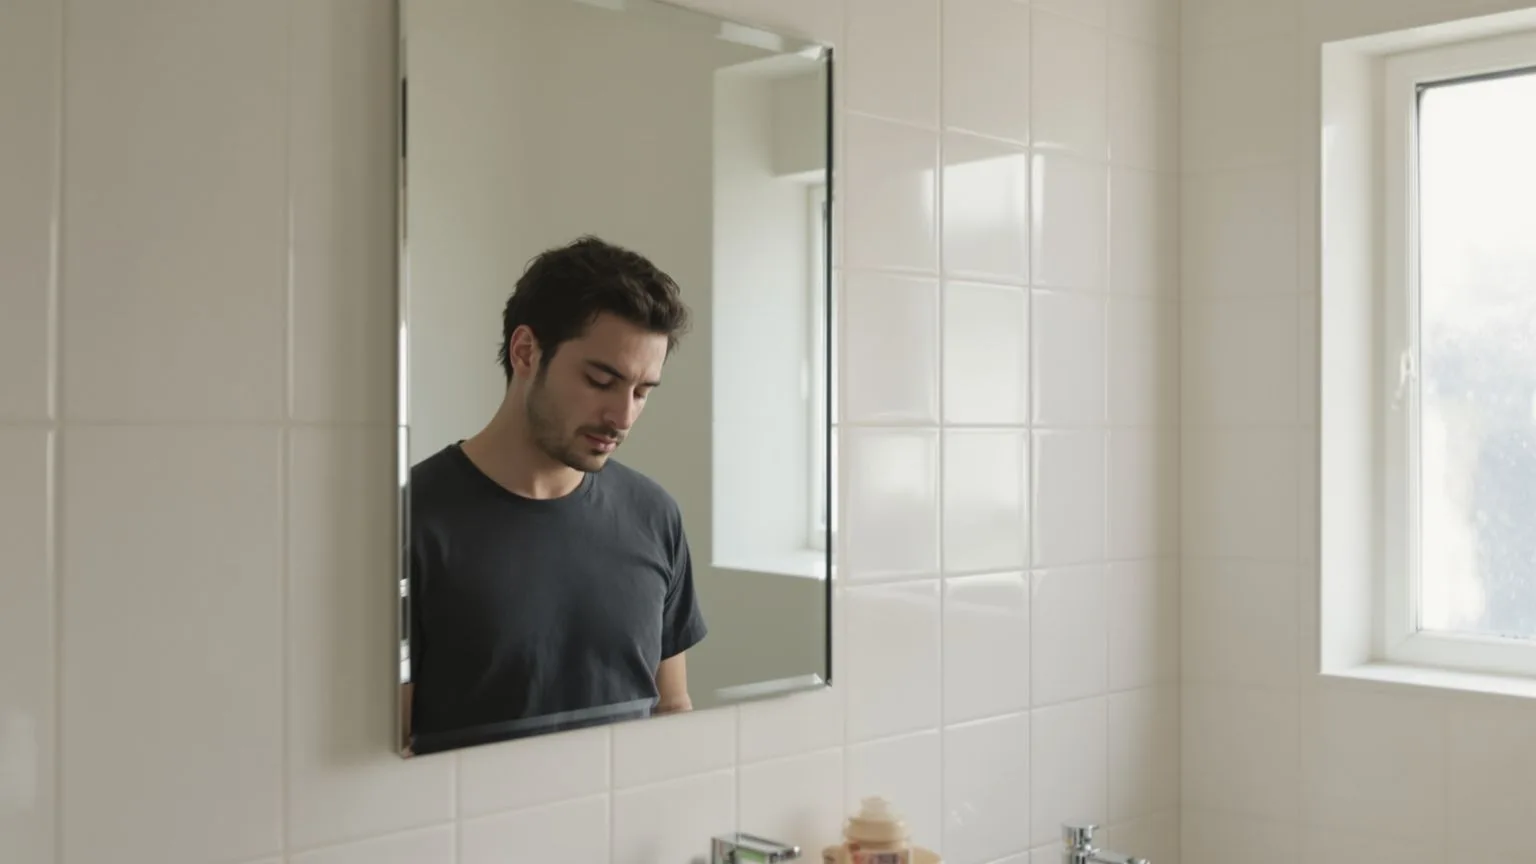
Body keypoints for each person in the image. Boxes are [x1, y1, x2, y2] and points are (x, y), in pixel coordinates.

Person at [403, 235, 707, 753]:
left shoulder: (655, 515)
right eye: (600, 379)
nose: (623, 416)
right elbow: (387, 749)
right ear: (526, 352)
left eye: (641, 392)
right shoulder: (410, 520)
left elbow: (671, 710)